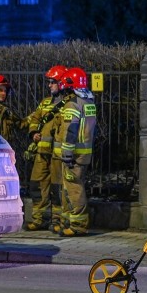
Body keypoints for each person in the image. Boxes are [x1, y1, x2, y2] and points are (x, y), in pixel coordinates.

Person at [23, 65, 70, 232]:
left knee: (57, 189)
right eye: (49, 82)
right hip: (41, 153)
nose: (49, 85)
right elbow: (35, 118)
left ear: (62, 83)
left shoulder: (68, 104)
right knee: (37, 186)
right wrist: (34, 132)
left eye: (52, 82)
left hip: (57, 155)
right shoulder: (45, 103)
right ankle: (39, 220)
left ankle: (57, 222)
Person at [54, 67, 97, 236]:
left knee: (73, 188)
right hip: (84, 153)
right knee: (71, 187)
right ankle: (68, 222)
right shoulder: (88, 102)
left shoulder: (73, 104)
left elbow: (70, 130)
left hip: (75, 155)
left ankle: (78, 225)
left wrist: (67, 153)